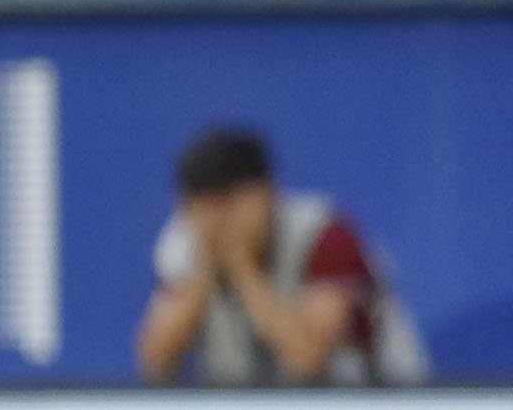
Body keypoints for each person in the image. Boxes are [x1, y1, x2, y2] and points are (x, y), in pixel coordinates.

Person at [137, 124, 427, 386]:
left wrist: (243, 269)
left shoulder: (325, 235)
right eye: (203, 208)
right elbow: (156, 359)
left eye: (229, 204)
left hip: (376, 409)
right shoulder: (183, 244)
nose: (219, 222)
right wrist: (204, 273)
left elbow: (309, 357)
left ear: (268, 192)